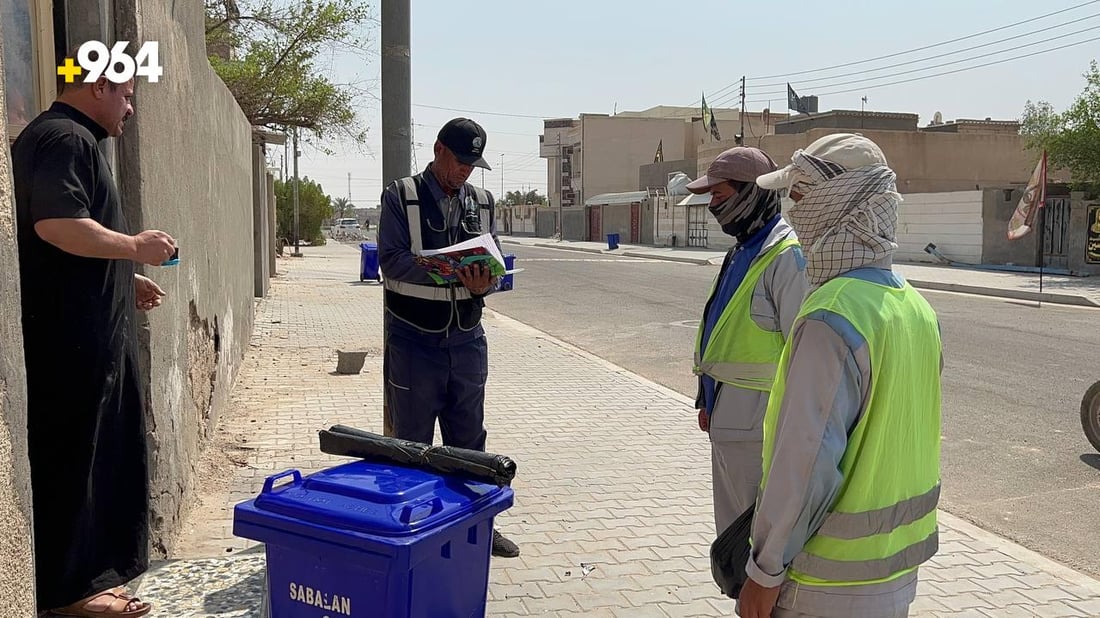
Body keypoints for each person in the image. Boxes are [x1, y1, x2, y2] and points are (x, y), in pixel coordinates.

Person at [738, 133, 943, 618]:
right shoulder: (916, 308)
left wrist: (764, 572)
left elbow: (804, 463)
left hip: (825, 583)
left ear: (839, 203)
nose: (791, 211)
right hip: (895, 573)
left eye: (801, 195)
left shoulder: (832, 316)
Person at [12, 74, 176, 616]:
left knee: (96, 456)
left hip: (86, 335)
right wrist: (135, 246)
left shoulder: (67, 138)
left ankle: (88, 582)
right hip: (70, 342)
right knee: (74, 459)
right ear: (97, 87)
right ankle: (72, 594)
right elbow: (57, 225)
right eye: (126, 95)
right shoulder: (65, 138)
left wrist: (123, 280)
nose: (130, 108)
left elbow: (71, 243)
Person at [378, 117, 519, 558]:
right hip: (414, 340)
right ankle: (412, 533)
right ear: (439, 150)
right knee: (411, 442)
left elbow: (491, 262)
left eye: (472, 165)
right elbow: (391, 260)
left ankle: (478, 527)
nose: (465, 173)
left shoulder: (482, 200)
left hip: (466, 340)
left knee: (469, 440)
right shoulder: (401, 196)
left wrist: (484, 282)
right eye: (460, 162)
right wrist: (445, 271)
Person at [686, 147, 808, 538]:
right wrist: (706, 398)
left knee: (754, 535)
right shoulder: (742, 249)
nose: (713, 208)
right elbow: (724, 330)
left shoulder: (786, 257)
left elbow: (803, 354)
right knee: (734, 530)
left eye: (720, 197)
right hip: (728, 415)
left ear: (751, 193)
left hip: (759, 423)